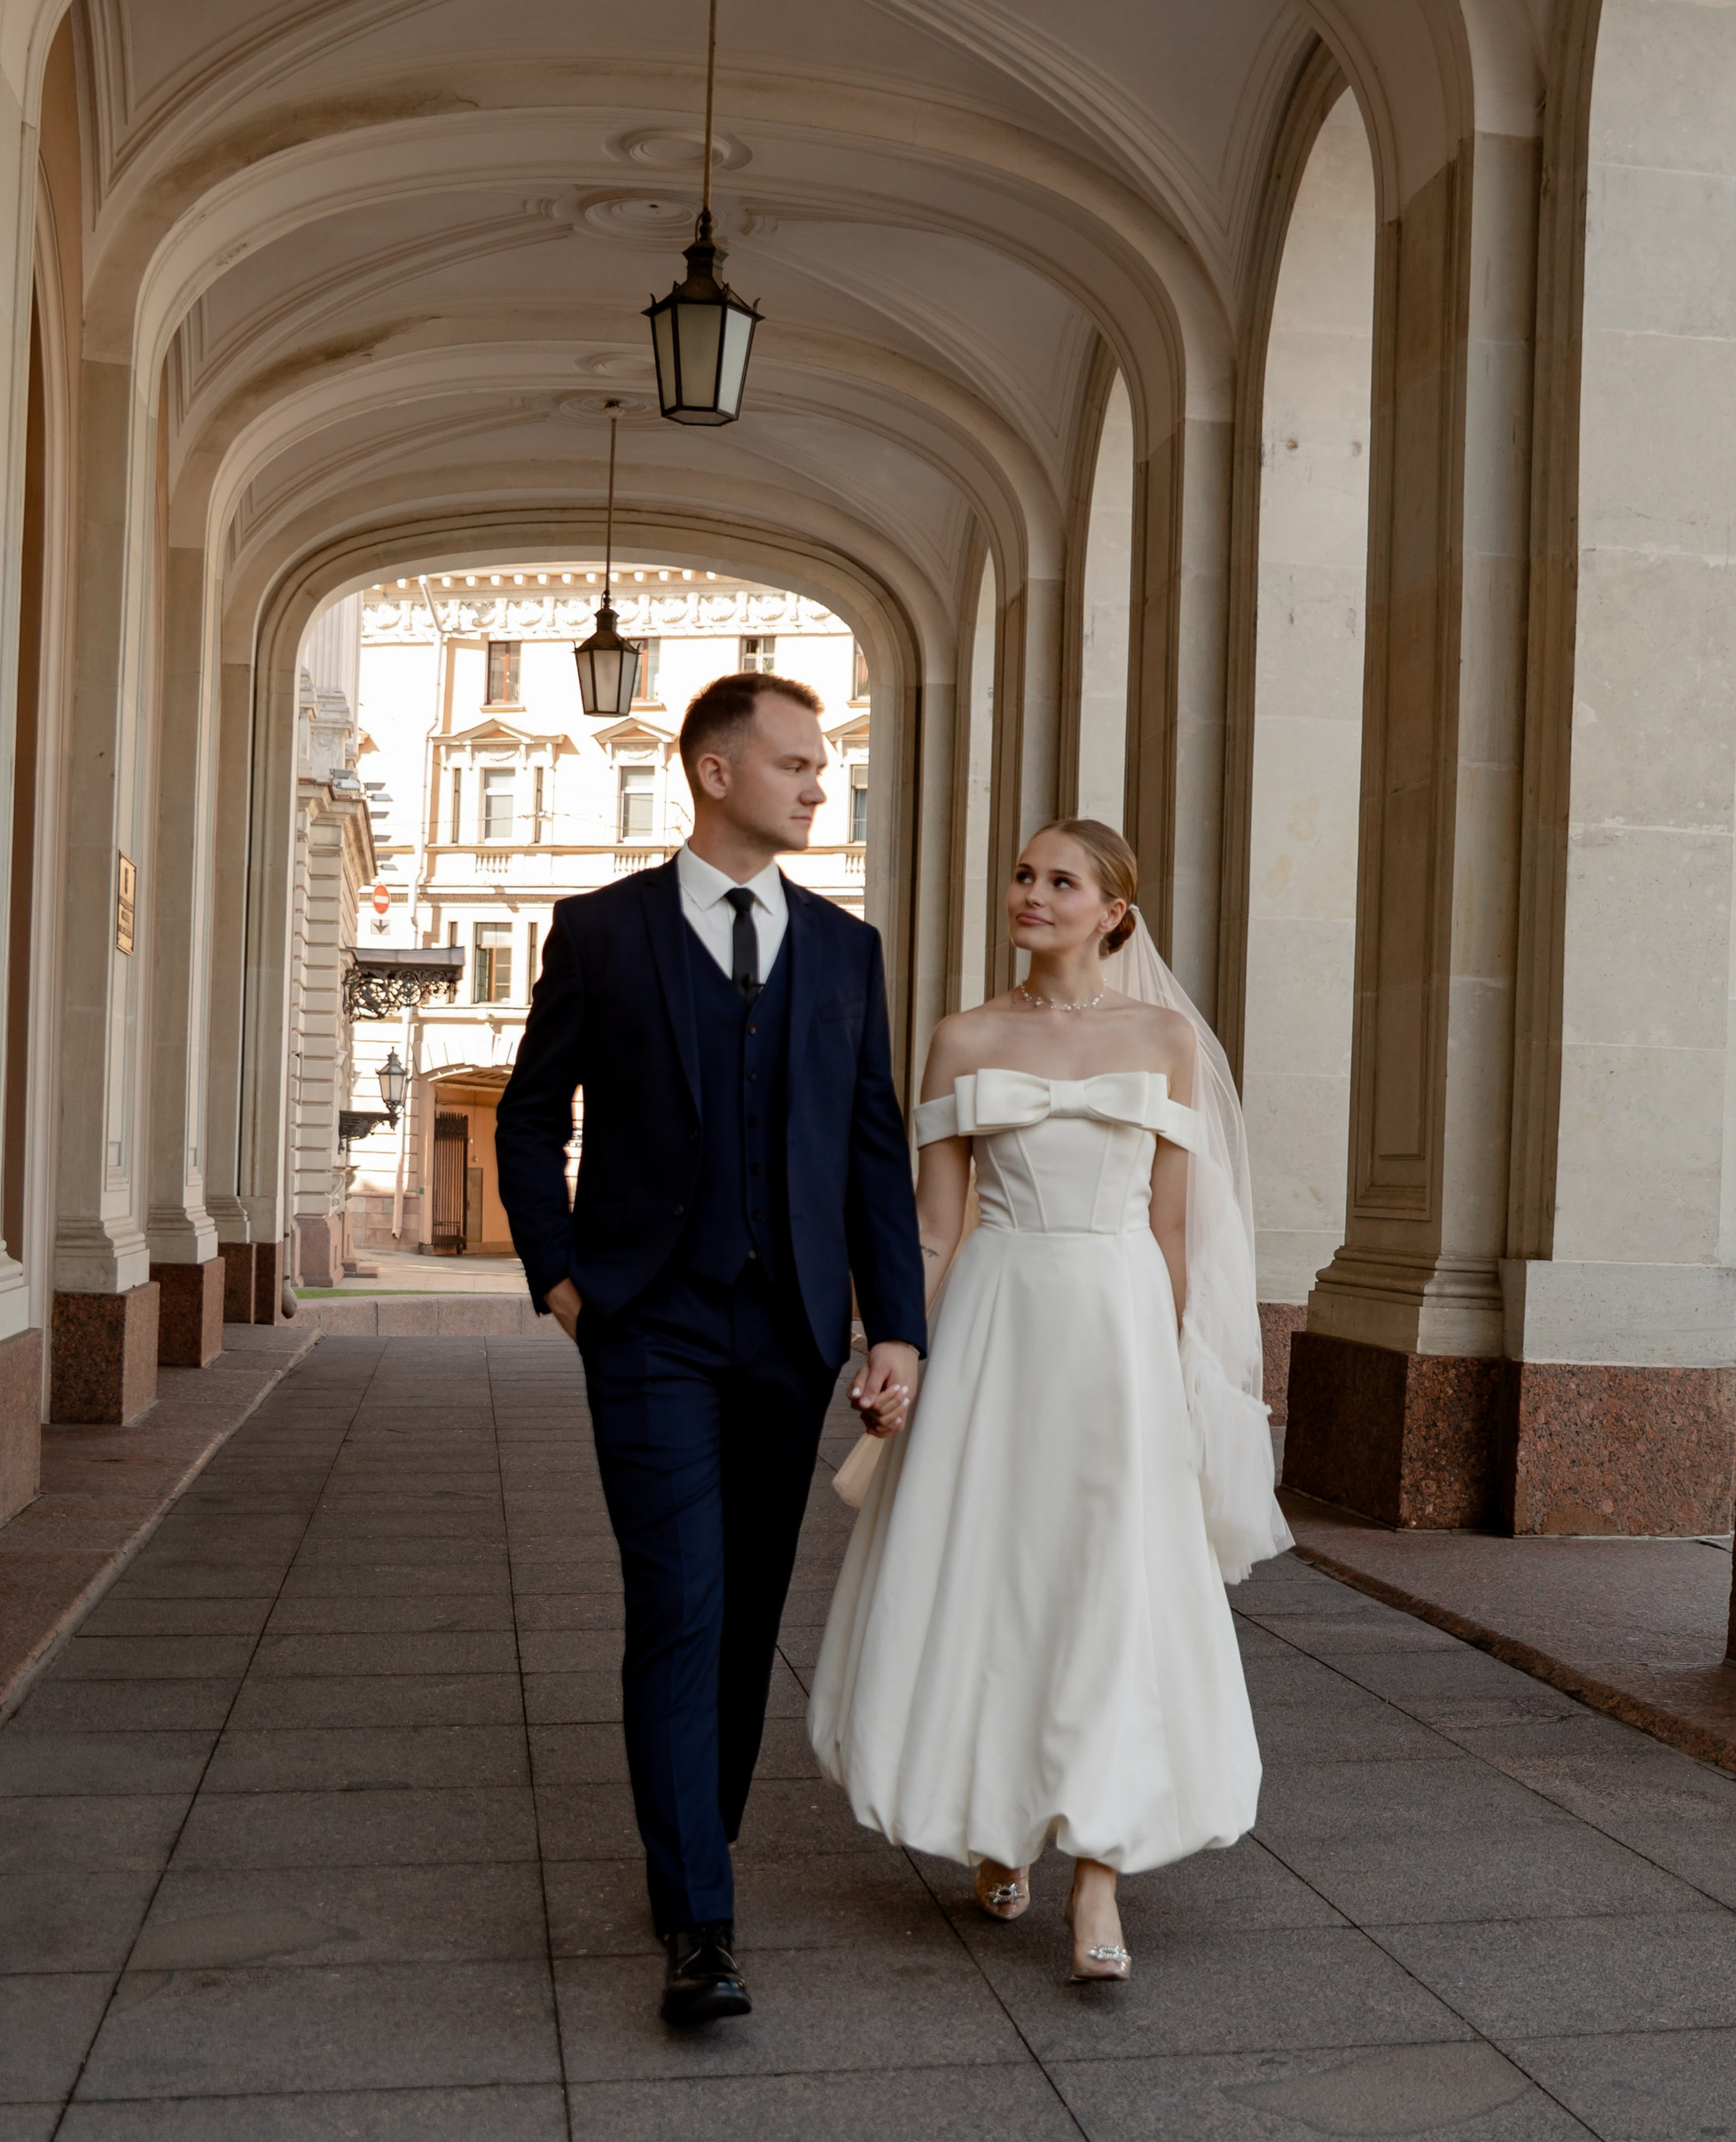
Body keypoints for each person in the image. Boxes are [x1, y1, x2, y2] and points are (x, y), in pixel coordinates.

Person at [495, 673, 926, 2027]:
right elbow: (528, 1119)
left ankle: (699, 1835)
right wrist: (562, 1282)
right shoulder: (604, 933)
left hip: (789, 1330)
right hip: (649, 1328)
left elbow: (871, 1155)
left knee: (745, 1616)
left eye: (821, 767)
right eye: (797, 764)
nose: (819, 783)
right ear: (715, 774)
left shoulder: (845, 953)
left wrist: (897, 1323)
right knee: (678, 1604)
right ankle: (698, 1921)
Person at [808, 820, 1284, 1982]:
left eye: (1058, 880)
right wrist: (893, 1348)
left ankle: (1098, 1879)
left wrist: (1178, 1372)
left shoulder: (1166, 1039)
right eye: (1021, 874)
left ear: (1113, 911)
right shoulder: (964, 1036)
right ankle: (999, 1816)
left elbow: (1173, 1228)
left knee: (1108, 1584)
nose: (1029, 893)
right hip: (997, 1324)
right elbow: (932, 1226)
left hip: (1117, 1328)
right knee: (998, 1576)